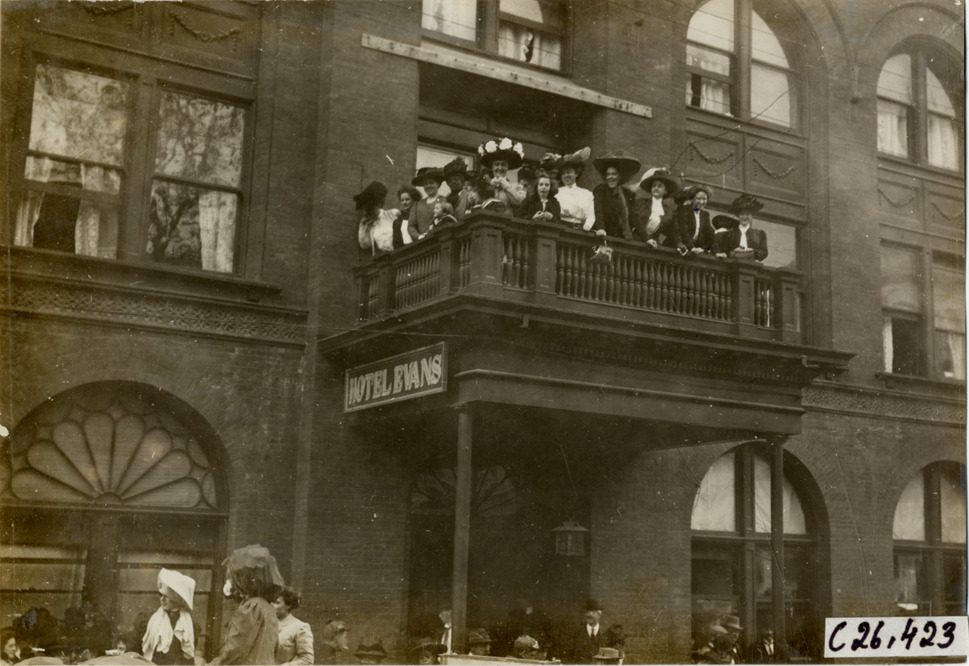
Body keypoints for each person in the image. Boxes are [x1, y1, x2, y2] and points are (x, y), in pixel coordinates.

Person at [209, 544, 284, 665]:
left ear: (245, 579)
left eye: (235, 577)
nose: (233, 581)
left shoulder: (251, 607)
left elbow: (235, 650)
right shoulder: (268, 608)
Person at [141, 569, 196, 665]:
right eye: (160, 595)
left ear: (176, 598)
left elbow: (188, 658)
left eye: (166, 596)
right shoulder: (151, 620)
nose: (162, 599)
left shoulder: (188, 625)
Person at [592, 149, 641, 240]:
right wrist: (600, 228)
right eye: (608, 174)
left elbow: (635, 218)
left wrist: (647, 239)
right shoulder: (601, 189)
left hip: (622, 238)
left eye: (614, 174)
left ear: (620, 176)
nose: (610, 177)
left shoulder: (628, 194)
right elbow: (598, 210)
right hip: (603, 236)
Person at [633, 167, 679, 247]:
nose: (656, 188)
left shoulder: (669, 211)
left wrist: (679, 244)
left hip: (654, 245)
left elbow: (673, 232)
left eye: (660, 186)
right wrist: (647, 238)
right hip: (636, 241)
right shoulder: (641, 203)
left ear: (665, 191)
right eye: (654, 186)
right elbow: (636, 222)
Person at [713, 194, 769, 262]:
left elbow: (764, 253)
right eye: (742, 214)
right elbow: (724, 251)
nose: (745, 217)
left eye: (747, 214)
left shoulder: (760, 234)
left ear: (751, 216)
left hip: (752, 266)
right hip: (733, 265)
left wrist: (752, 252)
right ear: (738, 216)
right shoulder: (728, 234)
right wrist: (735, 251)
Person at [667, 183, 716, 255]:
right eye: (698, 198)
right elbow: (684, 232)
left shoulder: (705, 215)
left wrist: (717, 252)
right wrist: (692, 248)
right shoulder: (683, 210)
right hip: (675, 248)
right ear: (693, 199)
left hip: (691, 250)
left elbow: (710, 235)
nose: (701, 202)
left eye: (704, 199)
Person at [478, 137, 525, 210]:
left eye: (503, 165)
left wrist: (506, 186)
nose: (500, 168)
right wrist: (490, 186)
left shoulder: (515, 187)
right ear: (492, 167)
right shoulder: (485, 186)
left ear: (507, 167)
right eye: (496, 164)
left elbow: (519, 202)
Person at [355, 181, 401, 256]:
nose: (367, 212)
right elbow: (364, 245)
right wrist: (362, 226)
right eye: (365, 209)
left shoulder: (392, 214)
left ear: (378, 204)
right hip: (381, 260)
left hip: (398, 256)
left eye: (369, 208)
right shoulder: (369, 225)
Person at [554, 147, 595, 231]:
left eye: (569, 172)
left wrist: (587, 226)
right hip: (558, 229)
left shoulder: (586, 194)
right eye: (563, 173)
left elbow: (591, 214)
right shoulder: (556, 192)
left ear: (576, 173)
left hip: (578, 231)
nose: (566, 175)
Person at [272, 586, 313, 665]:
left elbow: (307, 660)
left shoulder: (300, 628)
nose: (272, 605)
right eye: (271, 602)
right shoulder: (266, 625)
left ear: (288, 605)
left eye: (277, 602)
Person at [409, 167, 447, 238]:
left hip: (440, 240)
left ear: (438, 183)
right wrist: (419, 236)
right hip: (422, 242)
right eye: (425, 184)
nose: (428, 186)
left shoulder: (444, 200)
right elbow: (411, 226)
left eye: (431, 183)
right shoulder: (417, 204)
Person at [568, 599, 605, 664]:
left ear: (599, 615)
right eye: (587, 612)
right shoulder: (576, 633)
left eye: (592, 612)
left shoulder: (605, 633)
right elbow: (570, 658)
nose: (588, 614)